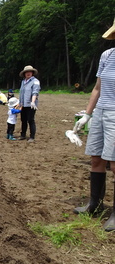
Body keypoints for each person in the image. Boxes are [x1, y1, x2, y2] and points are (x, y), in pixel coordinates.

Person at [73, 18, 115, 232]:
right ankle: (95, 204)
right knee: (96, 159)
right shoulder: (107, 55)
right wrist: (87, 115)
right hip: (100, 112)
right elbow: (97, 88)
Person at [18, 65, 41, 142]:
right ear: (24, 74)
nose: (28, 73)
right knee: (23, 120)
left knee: (30, 120)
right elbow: (21, 93)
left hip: (30, 104)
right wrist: (20, 102)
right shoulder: (23, 82)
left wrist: (33, 102)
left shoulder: (35, 81)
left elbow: (35, 92)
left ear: (32, 73)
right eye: (26, 72)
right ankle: (23, 135)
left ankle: (32, 137)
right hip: (23, 104)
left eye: (29, 72)